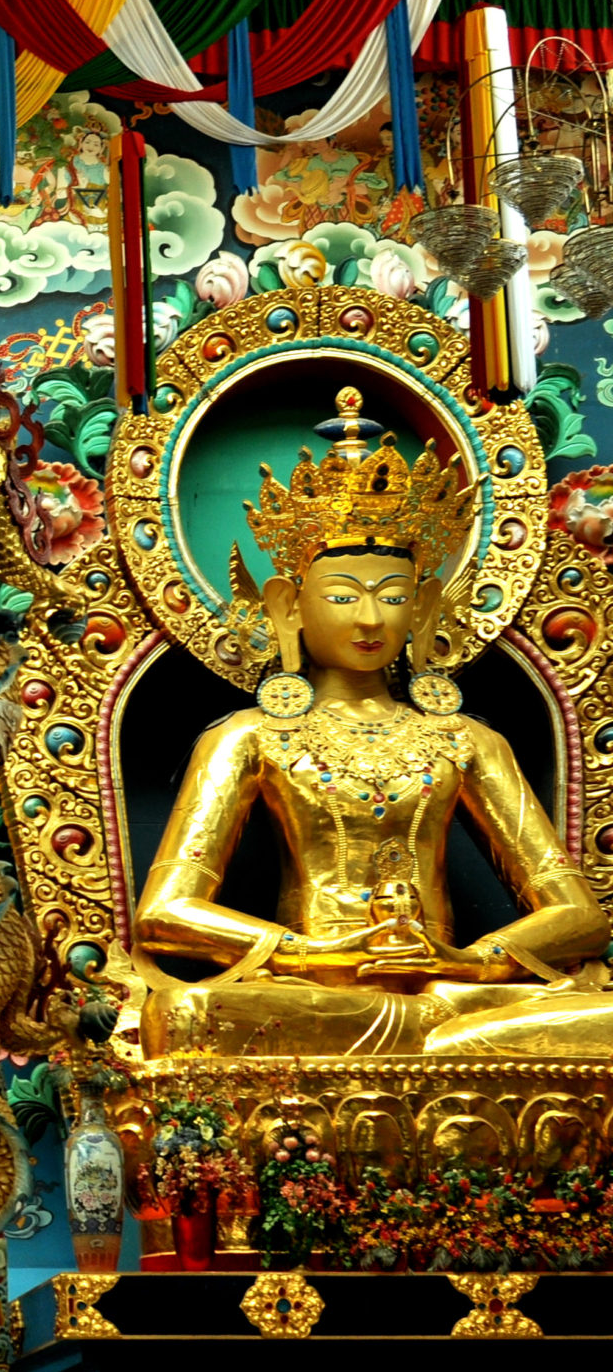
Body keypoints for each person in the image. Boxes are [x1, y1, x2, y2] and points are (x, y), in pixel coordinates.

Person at [136, 388, 613, 1056]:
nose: (369, 619)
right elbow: (164, 914)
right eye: (341, 595)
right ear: (288, 605)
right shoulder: (246, 738)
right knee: (189, 1014)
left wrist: (466, 961)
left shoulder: (468, 742)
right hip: (312, 996)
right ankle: (442, 1044)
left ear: (421, 610)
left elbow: (580, 916)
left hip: (451, 991)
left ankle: (448, 1036)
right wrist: (313, 955)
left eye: (392, 598)